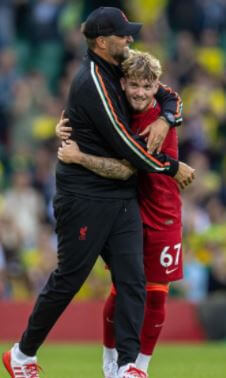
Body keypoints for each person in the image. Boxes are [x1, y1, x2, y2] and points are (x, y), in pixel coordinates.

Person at [2, 7, 193, 378]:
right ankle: (22, 354)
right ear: (103, 42)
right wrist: (173, 166)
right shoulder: (92, 80)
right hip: (85, 197)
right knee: (69, 279)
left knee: (132, 280)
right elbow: (126, 148)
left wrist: (166, 117)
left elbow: (167, 93)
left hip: (122, 195)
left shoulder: (118, 70)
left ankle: (126, 368)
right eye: (123, 35)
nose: (130, 39)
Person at [56, 50, 195, 378]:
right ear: (123, 83)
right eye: (134, 85)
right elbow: (86, 119)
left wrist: (167, 119)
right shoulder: (115, 106)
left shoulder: (161, 118)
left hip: (163, 214)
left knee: (157, 297)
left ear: (155, 85)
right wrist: (63, 128)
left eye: (148, 87)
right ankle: (111, 364)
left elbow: (130, 163)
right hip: (128, 210)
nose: (141, 93)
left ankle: (138, 369)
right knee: (123, 290)